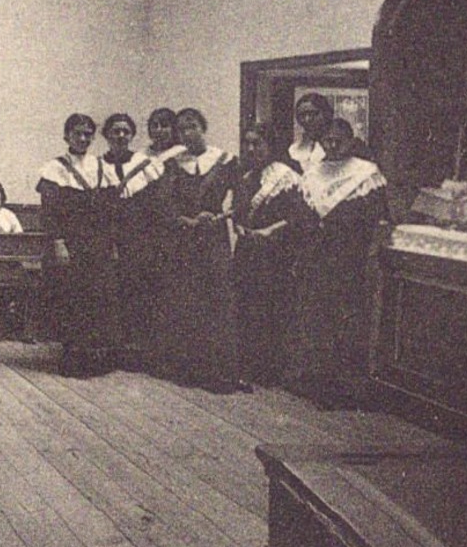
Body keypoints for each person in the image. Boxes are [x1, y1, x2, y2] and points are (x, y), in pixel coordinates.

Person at [289, 118, 390, 391]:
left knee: (347, 318)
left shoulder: (366, 173)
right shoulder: (313, 173)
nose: (333, 145)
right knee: (315, 316)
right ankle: (315, 379)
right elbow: (300, 215)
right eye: (327, 141)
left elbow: (375, 216)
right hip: (316, 256)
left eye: (338, 140)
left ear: (350, 141)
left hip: (349, 256)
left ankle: (345, 383)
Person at [156, 107, 241, 391]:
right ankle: (190, 368)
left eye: (192, 126)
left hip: (214, 236)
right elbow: (165, 203)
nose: (187, 133)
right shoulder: (172, 164)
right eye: (181, 129)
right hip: (185, 238)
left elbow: (239, 198)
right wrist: (184, 220)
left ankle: (220, 372)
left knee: (217, 298)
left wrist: (220, 216)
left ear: (203, 128)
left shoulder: (226, 160)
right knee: (188, 300)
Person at [37, 114, 119, 375]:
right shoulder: (55, 168)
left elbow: (111, 209)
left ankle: (94, 357)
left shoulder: (101, 167)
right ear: (66, 136)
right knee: (72, 297)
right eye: (77, 134)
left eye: (87, 134)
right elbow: (49, 212)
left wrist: (111, 242)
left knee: (97, 297)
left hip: (97, 243)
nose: (82, 139)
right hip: (70, 242)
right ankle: (72, 356)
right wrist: (58, 242)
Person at [229, 124, 303, 386]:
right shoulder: (247, 176)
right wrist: (240, 227)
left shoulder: (287, 176)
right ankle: (247, 366)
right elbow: (237, 211)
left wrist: (269, 231)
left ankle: (270, 370)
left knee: (270, 308)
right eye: (248, 143)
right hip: (248, 249)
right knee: (246, 306)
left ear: (270, 145)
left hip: (274, 252)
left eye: (258, 143)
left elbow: (296, 216)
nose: (252, 149)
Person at [114, 107, 185, 365]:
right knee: (140, 288)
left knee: (168, 290)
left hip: (171, 230)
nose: (158, 130)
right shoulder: (140, 157)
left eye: (164, 125)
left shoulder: (181, 156)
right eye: (153, 125)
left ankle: (166, 353)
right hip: (142, 230)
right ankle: (139, 350)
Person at [288, 93, 334, 175]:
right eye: (302, 115)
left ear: (326, 114)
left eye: (313, 113)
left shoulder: (336, 146)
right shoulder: (293, 150)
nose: (307, 119)